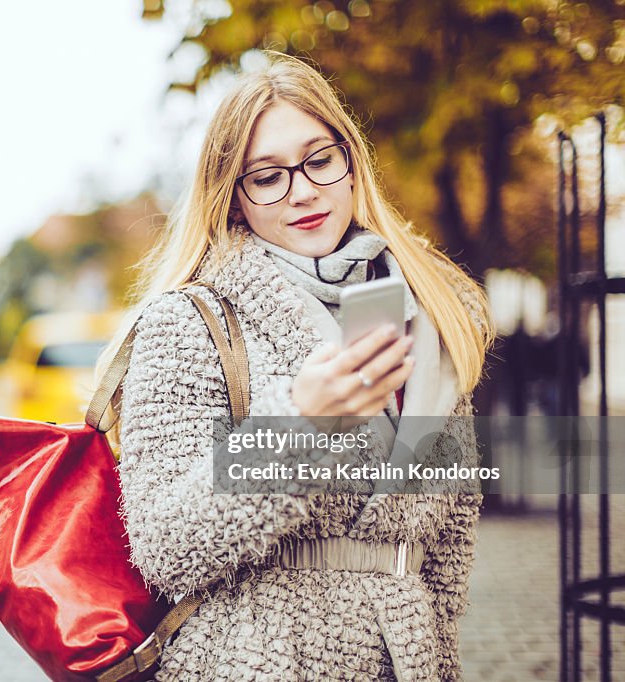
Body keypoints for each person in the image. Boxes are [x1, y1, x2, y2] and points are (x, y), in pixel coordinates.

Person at [97, 53, 494, 681]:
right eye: (267, 176)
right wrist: (303, 425)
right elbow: (166, 546)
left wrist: (435, 651)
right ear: (234, 200)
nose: (303, 191)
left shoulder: (429, 310)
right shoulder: (191, 320)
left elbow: (447, 543)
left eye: (318, 160)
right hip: (256, 660)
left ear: (349, 161)